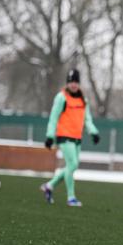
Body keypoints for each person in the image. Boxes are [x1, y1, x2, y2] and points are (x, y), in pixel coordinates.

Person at [40, 69, 100, 207]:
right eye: (71, 82)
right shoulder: (61, 97)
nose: (73, 84)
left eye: (76, 82)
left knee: (71, 166)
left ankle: (49, 186)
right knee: (73, 165)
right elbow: (53, 118)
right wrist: (50, 136)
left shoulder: (83, 99)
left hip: (77, 138)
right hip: (64, 136)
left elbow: (87, 119)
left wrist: (93, 132)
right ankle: (71, 198)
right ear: (67, 83)